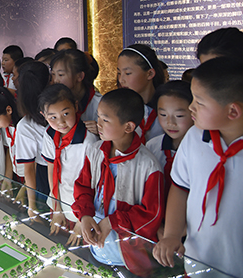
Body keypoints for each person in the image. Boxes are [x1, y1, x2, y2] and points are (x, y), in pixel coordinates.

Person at [153, 57, 243, 277]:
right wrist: (172, 234)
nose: (191, 106)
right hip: (198, 261)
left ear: (233, 111)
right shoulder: (194, 137)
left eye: (199, 102)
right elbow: (180, 187)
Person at [72, 88, 163, 275]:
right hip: (97, 248)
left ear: (128, 127)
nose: (98, 124)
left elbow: (151, 215)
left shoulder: (148, 166)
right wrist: (85, 215)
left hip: (128, 257)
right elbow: (83, 187)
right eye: (98, 117)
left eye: (105, 120)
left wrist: (113, 222)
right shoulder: (95, 151)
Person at [40, 84, 98, 246]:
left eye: (66, 113)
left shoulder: (88, 141)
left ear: (76, 107)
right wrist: (57, 207)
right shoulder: (49, 134)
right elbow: (51, 169)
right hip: (59, 201)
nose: (61, 122)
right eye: (53, 117)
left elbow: (93, 183)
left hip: (82, 210)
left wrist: (82, 219)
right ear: (44, 115)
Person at [14, 61, 50, 217]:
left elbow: (28, 169)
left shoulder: (25, 125)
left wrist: (32, 206)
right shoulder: (63, 112)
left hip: (45, 176)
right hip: (60, 173)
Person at [146, 81, 193, 192]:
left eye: (179, 116)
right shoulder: (152, 146)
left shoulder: (201, 149)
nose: (170, 122)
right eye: (163, 115)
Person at [117, 44, 165, 142]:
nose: (121, 79)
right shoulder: (117, 107)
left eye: (128, 73)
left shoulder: (165, 105)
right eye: (119, 73)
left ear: (150, 74)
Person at [50, 49, 101, 135]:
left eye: (61, 75)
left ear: (80, 76)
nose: (55, 80)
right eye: (53, 74)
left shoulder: (99, 103)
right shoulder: (52, 101)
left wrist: (101, 131)